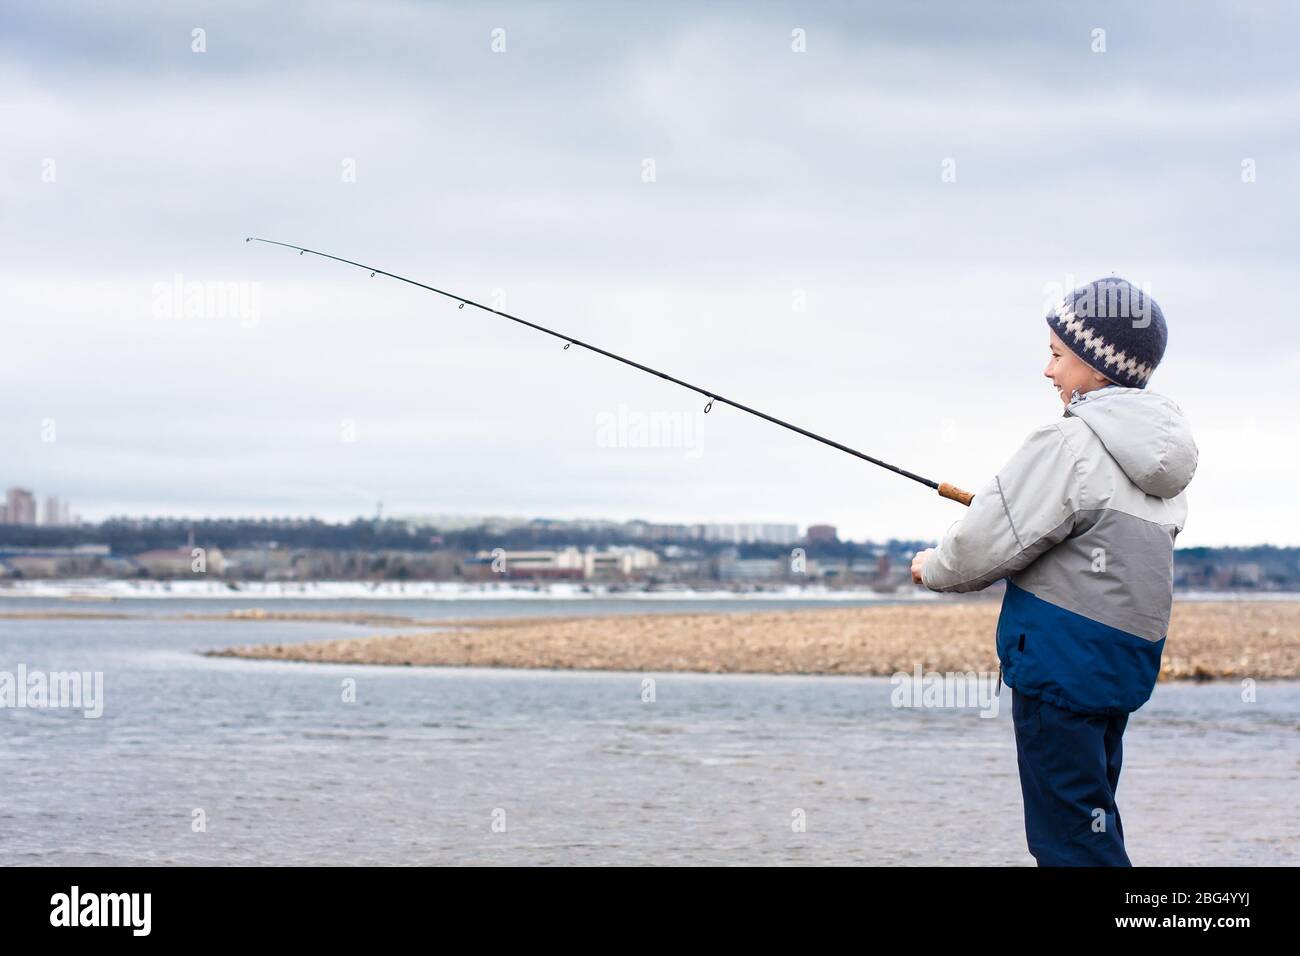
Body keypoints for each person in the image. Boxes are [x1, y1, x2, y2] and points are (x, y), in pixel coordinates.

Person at [909, 277, 1198, 866]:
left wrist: (932, 568)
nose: (1048, 371)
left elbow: (983, 546)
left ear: (1097, 366)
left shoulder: (1068, 443)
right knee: (1092, 814)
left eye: (1057, 354)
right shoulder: (1160, 467)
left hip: (1060, 668)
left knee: (1067, 837)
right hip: (1118, 669)